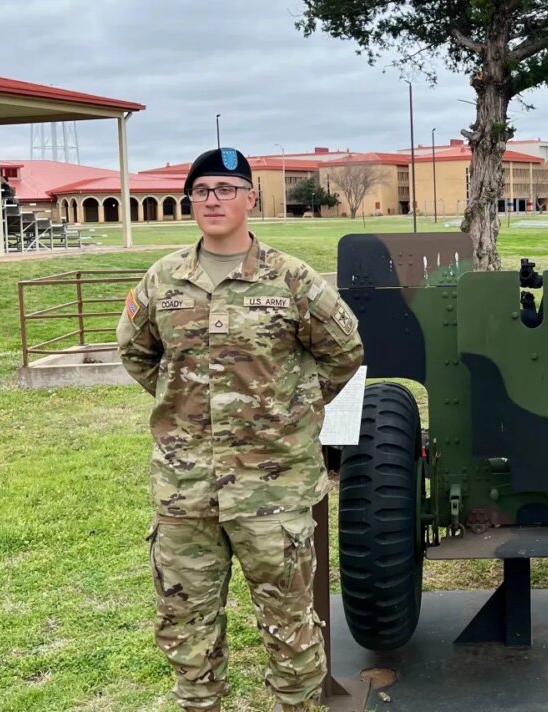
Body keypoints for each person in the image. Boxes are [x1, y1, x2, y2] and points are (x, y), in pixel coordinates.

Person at [117, 147, 363, 712]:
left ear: (251, 198)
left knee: (289, 626)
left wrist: (291, 409)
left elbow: (343, 352)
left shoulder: (292, 280)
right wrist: (183, 408)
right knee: (186, 624)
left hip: (272, 489)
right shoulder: (163, 281)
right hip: (187, 491)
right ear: (191, 201)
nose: (213, 200)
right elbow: (137, 353)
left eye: (226, 189)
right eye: (202, 190)